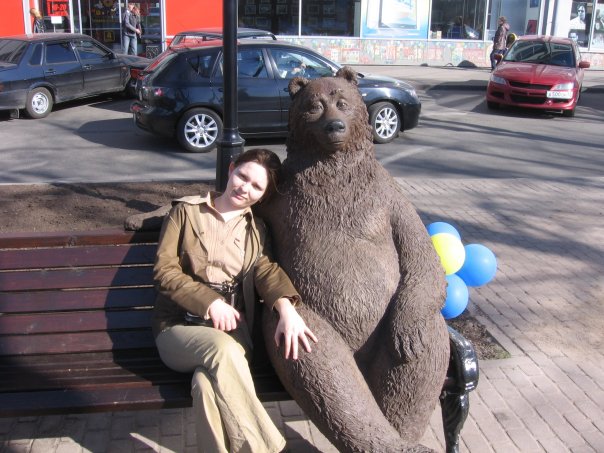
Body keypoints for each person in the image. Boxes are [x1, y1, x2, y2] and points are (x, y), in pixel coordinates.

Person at [153, 148, 317, 453]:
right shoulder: (186, 212)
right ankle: (269, 448)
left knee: (205, 386)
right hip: (177, 327)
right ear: (231, 169)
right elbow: (164, 271)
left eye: (257, 186)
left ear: (263, 195)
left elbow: (266, 270)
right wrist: (210, 302)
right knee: (222, 350)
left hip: (233, 331)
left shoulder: (256, 229)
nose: (245, 188)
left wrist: (286, 309)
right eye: (242, 176)